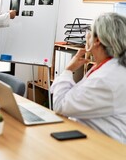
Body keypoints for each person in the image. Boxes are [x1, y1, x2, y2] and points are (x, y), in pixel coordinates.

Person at [51, 12, 126, 144]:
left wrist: (68, 70)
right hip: (91, 136)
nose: (86, 34)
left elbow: (60, 105)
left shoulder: (105, 78)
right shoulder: (110, 66)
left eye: (89, 30)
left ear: (98, 40)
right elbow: (77, 96)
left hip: (106, 149)